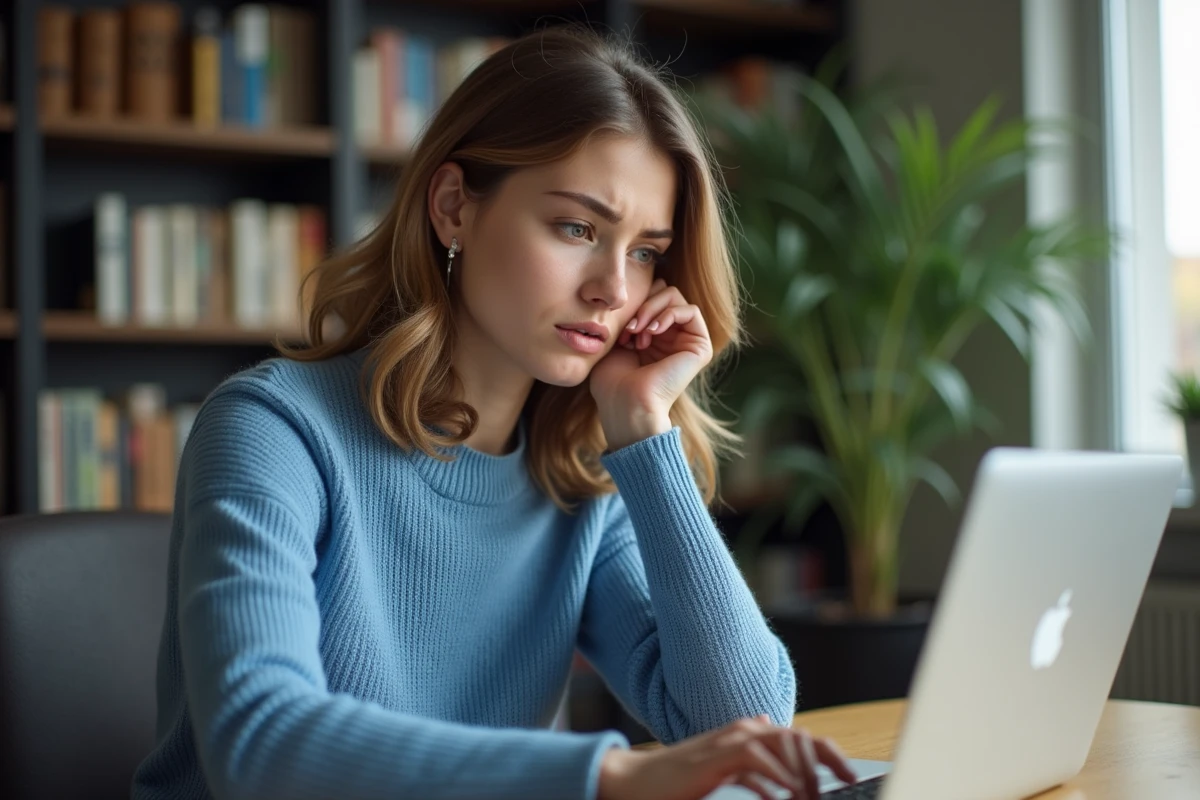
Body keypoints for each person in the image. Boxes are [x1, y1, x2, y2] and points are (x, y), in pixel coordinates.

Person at [130, 24, 857, 800]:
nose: (615, 288)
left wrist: (645, 429)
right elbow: (260, 742)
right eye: (577, 228)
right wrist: (605, 776)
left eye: (645, 252)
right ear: (453, 208)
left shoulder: (580, 475)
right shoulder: (273, 431)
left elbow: (741, 722)